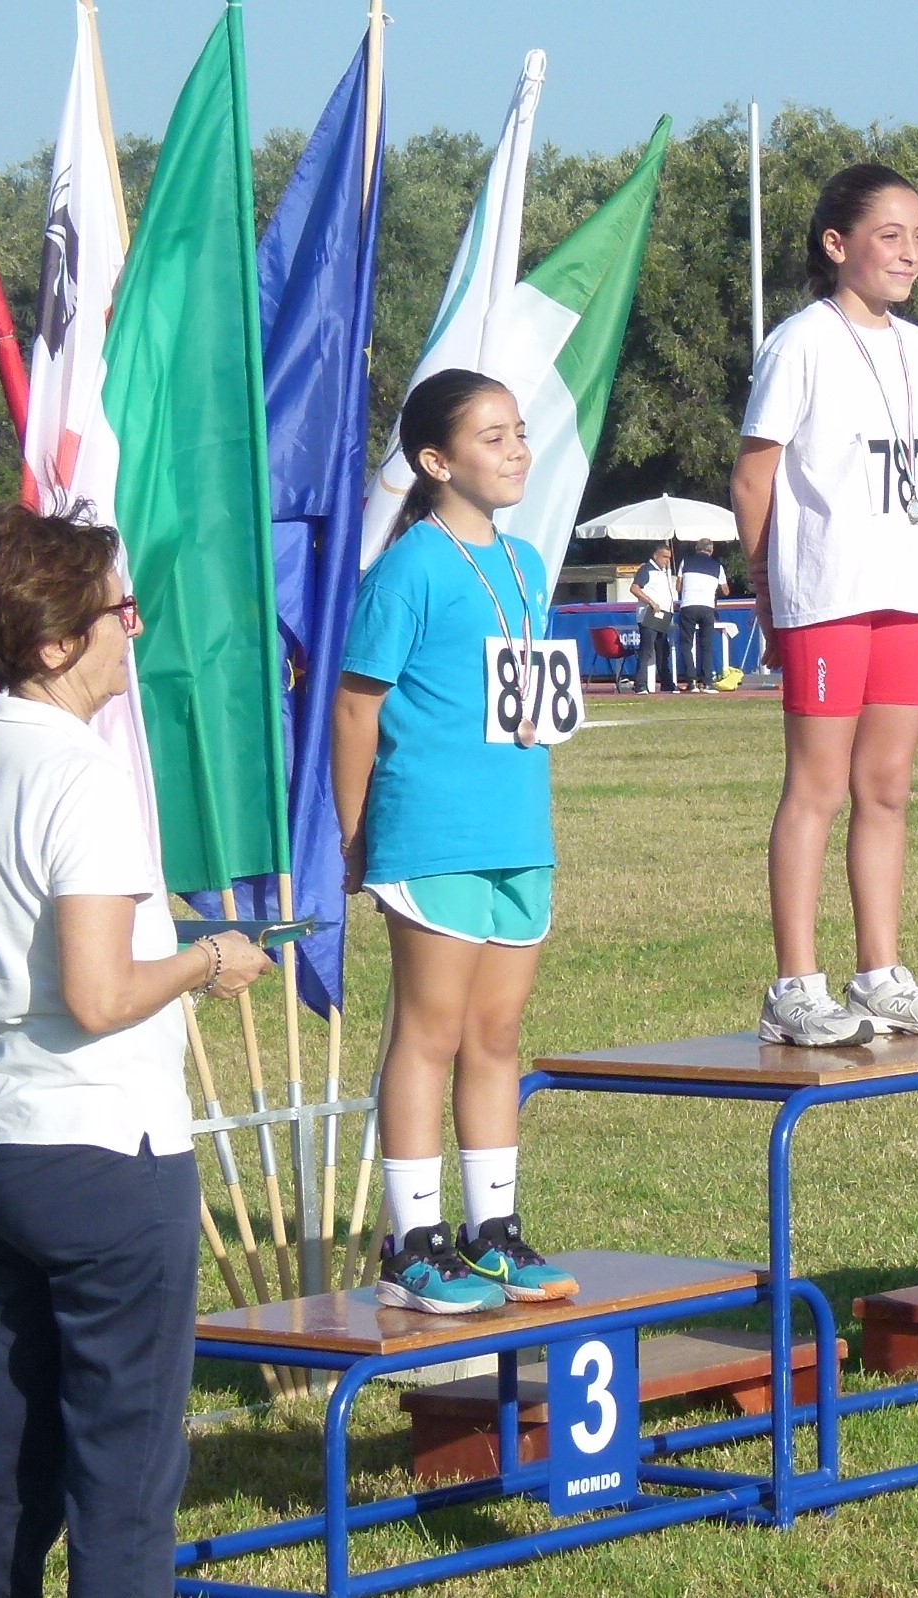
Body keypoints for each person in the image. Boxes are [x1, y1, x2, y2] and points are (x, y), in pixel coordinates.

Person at [0, 503, 272, 1598]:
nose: (135, 626)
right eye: (120, 610)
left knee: (8, 1460)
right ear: (56, 643)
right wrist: (205, 960)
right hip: (100, 1152)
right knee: (124, 1476)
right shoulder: (81, 777)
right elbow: (100, 993)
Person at [334, 368, 580, 1314]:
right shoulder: (409, 569)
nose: (517, 450)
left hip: (518, 832)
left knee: (496, 1034)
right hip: (430, 831)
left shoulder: (524, 563)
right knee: (427, 1033)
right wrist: (352, 831)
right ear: (436, 462)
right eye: (492, 436)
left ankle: (492, 1234)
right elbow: (355, 708)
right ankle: (412, 1245)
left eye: (519, 432)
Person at [731, 161, 918, 1047]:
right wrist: (768, 591)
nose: (909, 253)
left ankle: (880, 975)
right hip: (825, 593)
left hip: (901, 593)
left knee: (887, 787)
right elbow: (753, 476)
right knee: (817, 788)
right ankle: (793, 986)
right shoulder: (800, 341)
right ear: (837, 245)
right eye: (889, 236)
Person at [676, 537, 731, 690]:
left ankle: (691, 681)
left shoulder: (685, 562)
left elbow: (678, 587)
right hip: (707, 607)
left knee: (686, 644)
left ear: (696, 549)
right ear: (711, 551)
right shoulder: (718, 566)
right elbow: (726, 591)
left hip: (688, 605)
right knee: (706, 645)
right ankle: (707, 682)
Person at [629, 543, 680, 693]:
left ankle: (666, 683)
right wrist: (651, 602)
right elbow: (634, 588)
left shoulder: (664, 572)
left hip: (663, 616)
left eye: (669, 558)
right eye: (664, 557)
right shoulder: (646, 570)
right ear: (655, 556)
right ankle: (640, 684)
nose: (667, 561)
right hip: (649, 616)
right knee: (646, 651)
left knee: (663, 650)